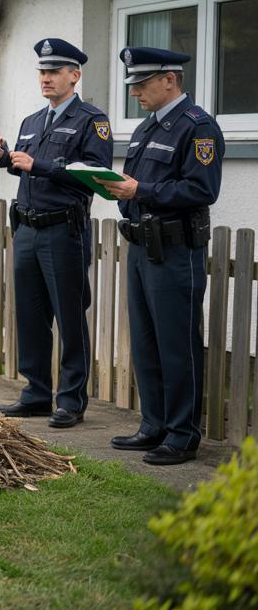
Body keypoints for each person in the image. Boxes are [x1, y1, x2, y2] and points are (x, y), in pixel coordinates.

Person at [102, 47, 223, 466]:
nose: (134, 91)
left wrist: (141, 192)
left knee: (177, 343)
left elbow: (201, 190)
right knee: (146, 341)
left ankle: (182, 434)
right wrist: (117, 191)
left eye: (141, 83)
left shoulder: (198, 127)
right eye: (132, 84)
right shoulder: (145, 128)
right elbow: (136, 184)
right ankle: (153, 425)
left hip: (174, 250)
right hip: (141, 245)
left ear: (169, 80)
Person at [0, 38, 112, 428]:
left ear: (75, 76)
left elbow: (94, 176)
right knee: (31, 314)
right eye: (42, 72)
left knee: (69, 317)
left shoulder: (93, 121)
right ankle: (36, 393)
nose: (46, 78)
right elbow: (23, 165)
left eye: (55, 72)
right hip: (27, 229)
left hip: (63, 230)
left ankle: (71, 400)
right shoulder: (32, 121)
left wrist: (38, 165)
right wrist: (4, 159)